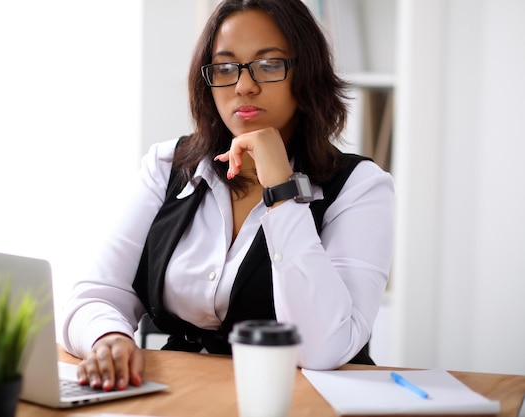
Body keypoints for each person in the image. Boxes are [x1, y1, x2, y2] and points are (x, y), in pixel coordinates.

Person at [62, 0, 394, 392]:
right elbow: (95, 296)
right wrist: (109, 339)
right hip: (184, 392)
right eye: (225, 67)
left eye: (269, 64)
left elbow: (321, 348)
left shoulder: (359, 186)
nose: (243, 85)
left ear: (304, 74)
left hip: (302, 398)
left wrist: (281, 188)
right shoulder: (168, 166)